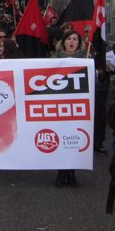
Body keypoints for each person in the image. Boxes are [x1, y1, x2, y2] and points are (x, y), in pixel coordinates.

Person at [52, 30, 85, 188]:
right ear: (63, 42)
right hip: (60, 106)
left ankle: (72, 173)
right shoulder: (54, 59)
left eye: (75, 39)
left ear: (79, 43)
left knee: (74, 140)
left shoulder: (86, 59)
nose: (72, 42)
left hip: (77, 107)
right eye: (69, 39)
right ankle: (61, 173)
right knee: (60, 138)